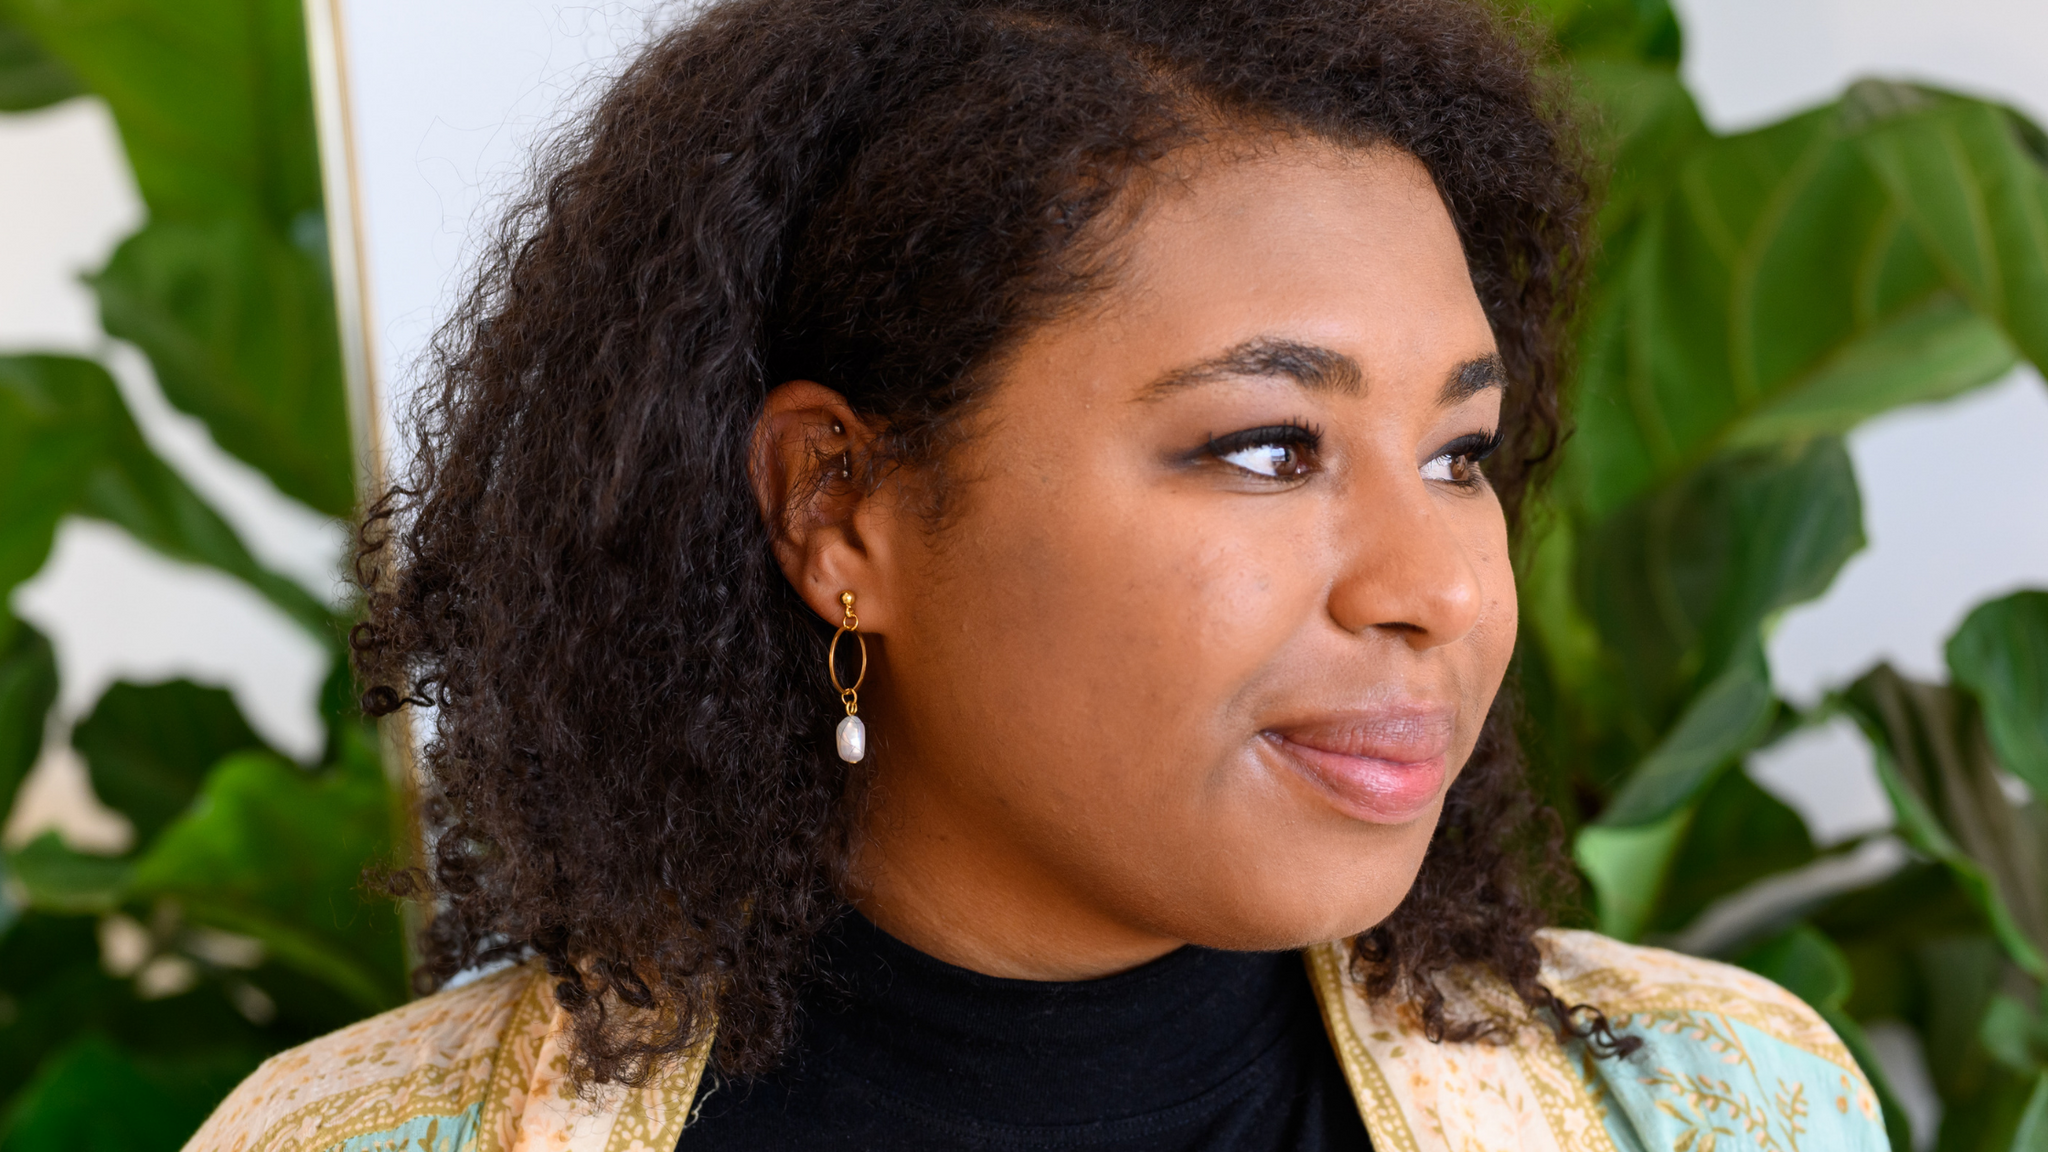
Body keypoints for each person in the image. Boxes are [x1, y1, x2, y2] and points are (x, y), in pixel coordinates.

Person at [187, 1, 1888, 1149]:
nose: (1436, 587)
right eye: (1267, 446)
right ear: (839, 513)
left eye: (1458, 455)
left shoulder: (1723, 1108)